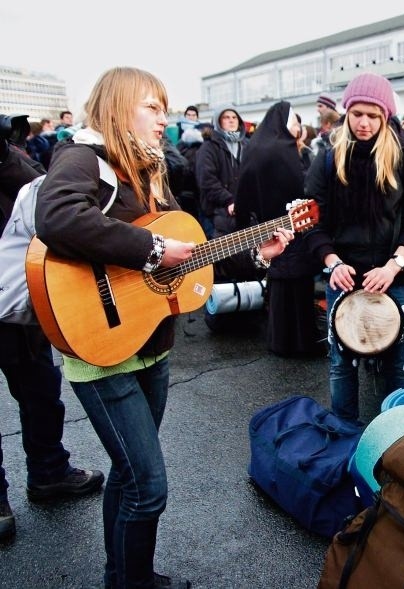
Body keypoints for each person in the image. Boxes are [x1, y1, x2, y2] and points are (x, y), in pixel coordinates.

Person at [33, 66, 293, 588]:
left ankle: (126, 576)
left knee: (130, 477)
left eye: (164, 107)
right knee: (148, 486)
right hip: (100, 348)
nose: (163, 118)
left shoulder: (150, 170)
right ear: (118, 106)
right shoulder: (84, 157)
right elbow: (56, 218)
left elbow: (192, 258)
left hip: (149, 345)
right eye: (152, 106)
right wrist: (150, 249)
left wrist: (257, 257)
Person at [304, 72, 404, 422]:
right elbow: (311, 221)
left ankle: (396, 442)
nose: (364, 123)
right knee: (340, 366)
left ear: (385, 116)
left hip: (397, 277)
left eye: (373, 115)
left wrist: (394, 266)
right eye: (356, 113)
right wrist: (332, 262)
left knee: (399, 368)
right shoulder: (328, 158)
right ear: (346, 113)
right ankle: (344, 439)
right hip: (343, 276)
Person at [0, 118, 104, 543]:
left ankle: (49, 472)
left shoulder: (13, 163)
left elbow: (49, 197)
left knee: (42, 391)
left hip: (20, 296)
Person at [236, 101, 323, 357]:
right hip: (292, 227)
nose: (297, 127)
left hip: (265, 226)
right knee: (296, 287)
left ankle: (280, 340)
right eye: (294, 122)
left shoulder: (256, 146)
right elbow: (302, 189)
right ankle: (299, 341)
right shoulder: (283, 150)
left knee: (279, 286)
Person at [195, 104, 247, 239]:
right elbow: (206, 180)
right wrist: (228, 200)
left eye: (235, 117)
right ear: (218, 121)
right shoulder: (209, 147)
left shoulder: (245, 145)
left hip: (242, 212)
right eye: (226, 117)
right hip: (216, 214)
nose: (231, 120)